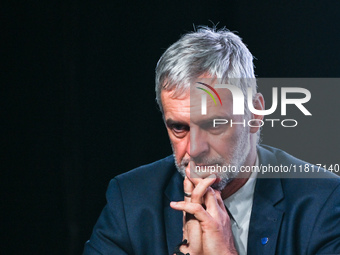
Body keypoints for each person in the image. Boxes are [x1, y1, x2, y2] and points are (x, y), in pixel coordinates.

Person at [83, 27, 340, 255]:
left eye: (214, 124)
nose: (194, 149)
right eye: (179, 128)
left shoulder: (324, 201)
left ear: (255, 114)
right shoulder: (131, 199)